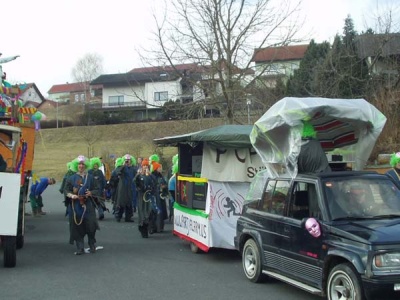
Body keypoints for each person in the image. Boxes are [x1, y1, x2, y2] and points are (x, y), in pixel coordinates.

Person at [64, 155, 99, 255]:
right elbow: (66, 190)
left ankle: (92, 244)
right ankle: (80, 247)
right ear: (76, 166)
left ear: (86, 166)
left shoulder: (91, 178)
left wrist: (91, 193)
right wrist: (71, 195)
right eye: (79, 164)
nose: (81, 166)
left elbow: (97, 189)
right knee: (77, 226)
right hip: (76, 206)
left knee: (91, 225)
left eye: (83, 164)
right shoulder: (71, 178)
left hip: (88, 205)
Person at [134, 158, 154, 238]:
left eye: (146, 165)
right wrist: (138, 175)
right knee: (142, 212)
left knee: (149, 212)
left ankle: (149, 227)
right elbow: (135, 182)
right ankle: (142, 228)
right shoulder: (139, 175)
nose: (145, 167)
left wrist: (150, 175)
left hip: (148, 196)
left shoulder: (149, 175)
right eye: (144, 165)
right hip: (141, 196)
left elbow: (154, 183)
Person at [115, 154, 137, 222]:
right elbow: (117, 172)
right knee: (121, 202)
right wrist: (123, 165)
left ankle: (128, 217)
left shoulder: (133, 169)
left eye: (129, 160)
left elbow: (136, 177)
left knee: (129, 203)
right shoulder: (121, 167)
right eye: (126, 160)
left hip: (130, 187)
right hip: (122, 188)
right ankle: (118, 216)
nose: (127, 161)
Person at [149, 160, 168, 233]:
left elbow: (164, 184)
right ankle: (156, 227)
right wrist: (160, 187)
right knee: (157, 212)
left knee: (161, 212)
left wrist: (164, 188)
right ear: (156, 168)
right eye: (159, 168)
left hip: (161, 197)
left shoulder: (160, 176)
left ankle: (160, 227)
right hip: (156, 197)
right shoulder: (153, 176)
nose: (161, 169)